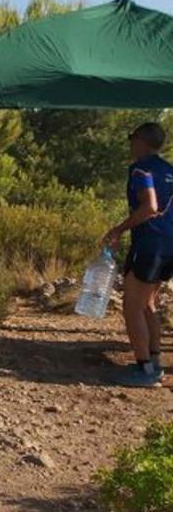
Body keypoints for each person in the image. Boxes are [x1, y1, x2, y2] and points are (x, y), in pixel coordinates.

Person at [102, 122, 173, 387]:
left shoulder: (141, 169)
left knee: (132, 305)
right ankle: (154, 362)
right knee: (146, 303)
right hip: (168, 244)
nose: (130, 142)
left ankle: (144, 370)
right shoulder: (169, 170)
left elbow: (150, 207)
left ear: (142, 140)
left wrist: (118, 230)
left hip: (150, 243)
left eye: (132, 137)